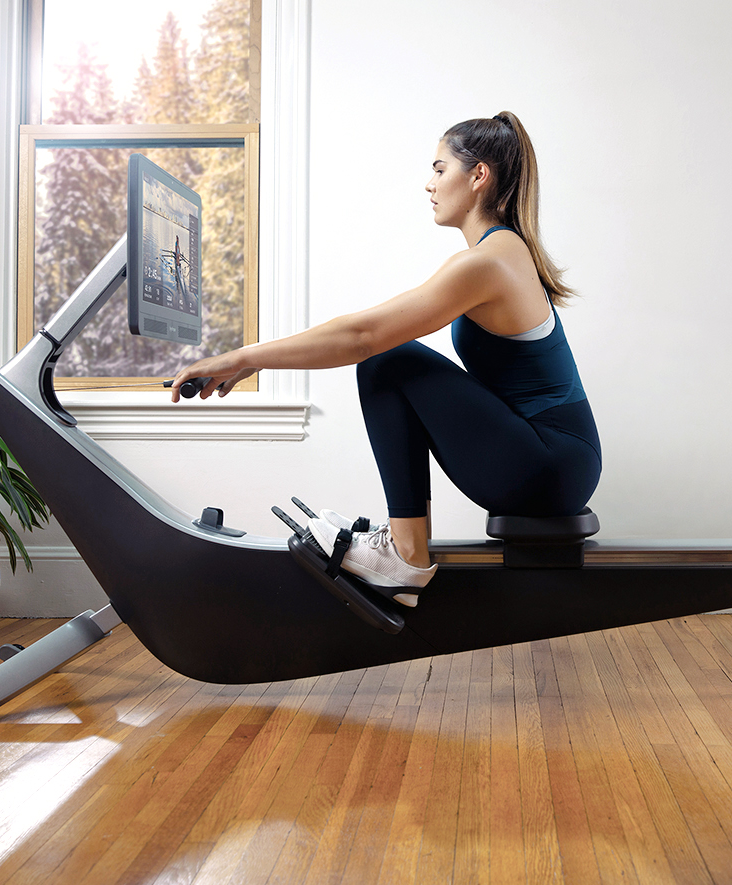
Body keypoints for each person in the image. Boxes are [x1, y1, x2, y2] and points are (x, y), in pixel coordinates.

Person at [169, 111, 600, 606]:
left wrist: (246, 356)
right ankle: (404, 550)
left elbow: (363, 335)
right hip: (555, 461)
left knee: (385, 360)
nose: (429, 184)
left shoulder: (487, 262)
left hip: (550, 464)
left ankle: (405, 556)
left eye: (440, 169)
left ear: (478, 175)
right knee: (390, 360)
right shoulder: (500, 252)